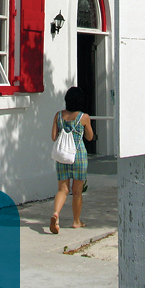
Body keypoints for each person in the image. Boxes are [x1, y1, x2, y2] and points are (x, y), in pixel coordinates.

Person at [50, 86, 94, 233]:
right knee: (77, 191)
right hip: (79, 156)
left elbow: (53, 137)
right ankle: (76, 221)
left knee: (62, 190)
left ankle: (56, 214)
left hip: (62, 156)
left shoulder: (58, 115)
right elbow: (89, 137)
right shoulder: (84, 117)